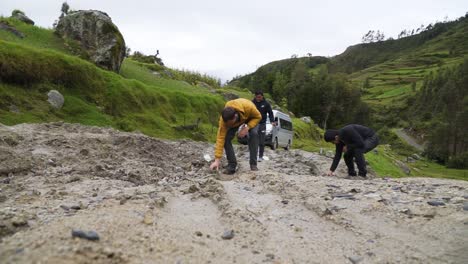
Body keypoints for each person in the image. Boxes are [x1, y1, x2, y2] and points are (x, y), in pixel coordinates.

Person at [210, 98, 262, 174]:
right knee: (226, 138)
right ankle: (232, 165)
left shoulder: (249, 107)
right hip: (237, 120)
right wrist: (217, 160)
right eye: (227, 124)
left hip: (251, 117)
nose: (229, 126)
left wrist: (247, 127)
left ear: (235, 116)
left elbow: (258, 117)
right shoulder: (224, 121)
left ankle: (253, 164)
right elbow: (220, 138)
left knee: (254, 134)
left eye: (230, 124)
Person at [252, 91, 276, 161]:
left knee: (261, 141)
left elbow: (270, 113)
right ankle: (253, 155)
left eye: (259, 97)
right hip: (254, 123)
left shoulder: (266, 104)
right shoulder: (252, 103)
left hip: (262, 124)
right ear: (255, 96)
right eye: (257, 97)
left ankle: (260, 156)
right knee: (253, 140)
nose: (258, 98)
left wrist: (272, 121)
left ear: (262, 96)